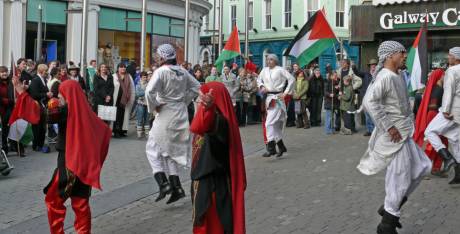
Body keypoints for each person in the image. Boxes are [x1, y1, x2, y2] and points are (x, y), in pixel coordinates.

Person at [357, 41, 431, 234]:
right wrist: (389, 127)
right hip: (395, 137)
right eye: (401, 53)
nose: (405, 56)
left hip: (404, 132)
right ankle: (387, 224)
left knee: (423, 167)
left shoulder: (396, 75)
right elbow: (369, 102)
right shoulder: (385, 77)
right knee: (400, 177)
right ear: (390, 56)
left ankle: (390, 207)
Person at [38, 80, 111, 234]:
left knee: (53, 201)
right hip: (84, 165)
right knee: (81, 202)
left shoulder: (64, 111)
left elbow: (47, 118)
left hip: (68, 164)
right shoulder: (87, 110)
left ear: (67, 94)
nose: (59, 96)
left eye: (60, 94)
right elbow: (103, 129)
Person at [145, 44, 200, 204]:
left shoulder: (161, 71)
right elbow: (197, 87)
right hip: (180, 114)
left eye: (158, 56)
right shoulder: (182, 71)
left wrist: (154, 106)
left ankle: (163, 183)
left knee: (152, 148)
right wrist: (185, 100)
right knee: (169, 151)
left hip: (166, 113)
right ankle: (177, 187)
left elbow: (149, 92)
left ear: (163, 57)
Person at [190, 82, 246, 234]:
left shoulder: (219, 122)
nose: (198, 101)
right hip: (206, 184)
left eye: (201, 96)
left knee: (212, 228)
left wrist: (207, 108)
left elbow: (197, 127)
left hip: (213, 186)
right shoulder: (216, 119)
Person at [425, 47, 460, 184]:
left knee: (430, 132)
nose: (448, 57)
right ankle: (458, 175)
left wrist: (445, 109)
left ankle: (447, 158)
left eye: (450, 55)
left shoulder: (452, 71)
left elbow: (449, 91)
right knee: (455, 141)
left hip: (452, 110)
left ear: (456, 57)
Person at [257, 54, 295, 157]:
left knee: (269, 123)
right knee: (276, 126)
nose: (269, 61)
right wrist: (262, 86)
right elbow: (259, 80)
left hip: (277, 98)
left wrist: (286, 92)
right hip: (268, 98)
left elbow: (291, 79)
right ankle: (281, 147)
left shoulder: (280, 70)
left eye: (271, 59)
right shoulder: (264, 70)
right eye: (267, 59)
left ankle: (271, 147)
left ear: (275, 61)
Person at [414, 69, 447, 177]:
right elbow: (433, 106)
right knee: (433, 144)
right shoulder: (438, 89)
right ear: (440, 77)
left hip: (436, 115)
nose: (445, 77)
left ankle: (436, 168)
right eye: (444, 75)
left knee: (443, 142)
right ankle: (423, 168)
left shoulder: (439, 88)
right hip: (434, 115)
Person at [28, 64, 52, 152]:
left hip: (42, 106)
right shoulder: (35, 80)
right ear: (41, 71)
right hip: (36, 106)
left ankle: (40, 144)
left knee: (42, 127)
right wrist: (46, 94)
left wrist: (48, 94)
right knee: (37, 126)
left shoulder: (43, 79)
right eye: (45, 71)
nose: (47, 73)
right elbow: (34, 94)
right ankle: (36, 145)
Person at [337, 59, 362, 132]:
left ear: (347, 64)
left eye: (343, 63)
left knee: (350, 111)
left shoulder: (351, 72)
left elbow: (359, 81)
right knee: (344, 111)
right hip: (341, 92)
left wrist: (352, 88)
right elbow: (339, 80)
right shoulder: (339, 70)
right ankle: (347, 127)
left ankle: (351, 128)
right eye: (341, 63)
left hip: (348, 93)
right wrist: (338, 86)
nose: (342, 64)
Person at [112, 63, 135, 138]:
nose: (123, 69)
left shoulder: (129, 76)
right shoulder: (114, 76)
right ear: (118, 68)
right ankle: (116, 131)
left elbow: (132, 88)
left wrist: (132, 98)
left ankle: (122, 130)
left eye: (124, 67)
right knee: (116, 116)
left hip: (125, 100)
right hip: (116, 99)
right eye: (121, 67)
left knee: (123, 116)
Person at [0, 66, 15, 155]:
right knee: (3, 130)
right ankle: (4, 148)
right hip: (2, 109)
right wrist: (9, 101)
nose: (4, 73)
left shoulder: (10, 82)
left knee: (8, 129)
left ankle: (9, 147)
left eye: (5, 72)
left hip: (10, 108)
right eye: (2, 72)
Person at [361, 59, 377, 136]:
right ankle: (369, 130)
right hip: (366, 97)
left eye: (374, 65)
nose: (373, 66)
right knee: (367, 115)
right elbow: (357, 73)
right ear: (370, 66)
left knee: (374, 114)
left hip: (375, 98)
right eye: (372, 65)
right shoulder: (366, 74)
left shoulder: (379, 74)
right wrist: (353, 67)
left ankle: (375, 130)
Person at [135, 72, 149, 139]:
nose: (145, 78)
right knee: (140, 118)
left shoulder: (149, 84)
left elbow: (151, 93)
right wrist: (146, 91)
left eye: (146, 77)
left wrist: (143, 93)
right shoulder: (138, 84)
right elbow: (137, 94)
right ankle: (139, 133)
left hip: (148, 103)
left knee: (147, 119)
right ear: (140, 77)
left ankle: (147, 133)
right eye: (143, 77)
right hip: (140, 103)